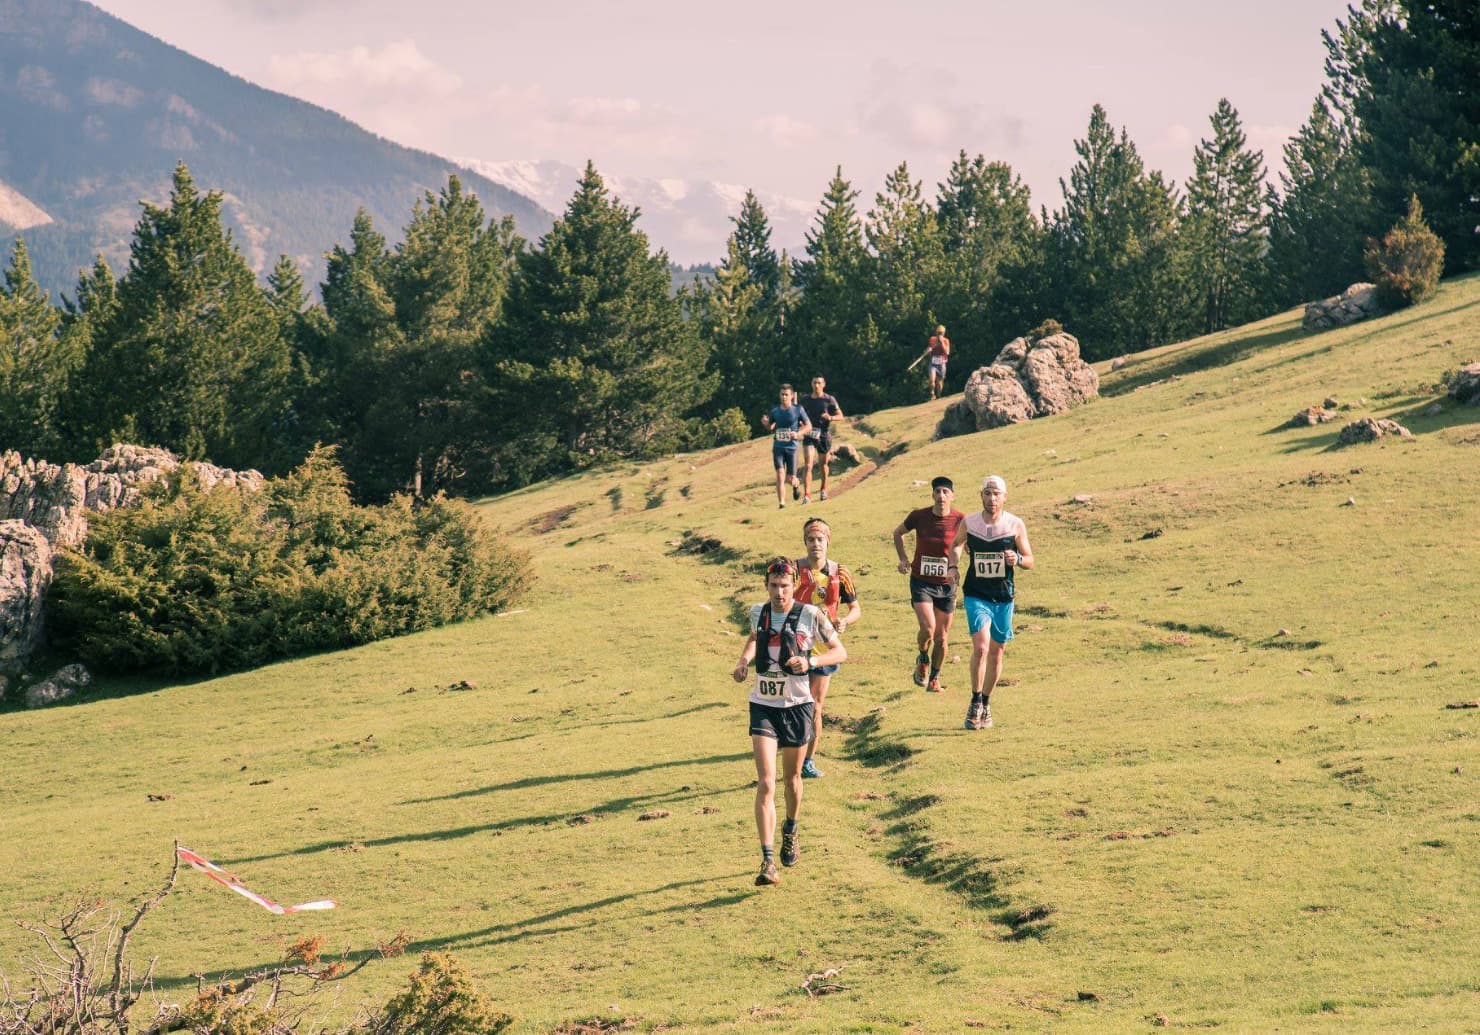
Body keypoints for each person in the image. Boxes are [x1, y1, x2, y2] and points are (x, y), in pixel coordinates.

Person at [733, 557, 846, 886]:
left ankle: (791, 828)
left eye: (785, 586)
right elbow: (754, 638)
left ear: (793, 585)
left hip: (797, 706)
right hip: (763, 705)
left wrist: (811, 660)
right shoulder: (759, 612)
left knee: (792, 780)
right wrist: (742, 663)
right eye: (773, 587)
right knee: (766, 783)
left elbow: (840, 652)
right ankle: (768, 861)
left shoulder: (811, 615)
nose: (779, 592)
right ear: (766, 586)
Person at [951, 475, 1034, 730]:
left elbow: (1030, 559)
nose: (992, 498)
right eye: (987, 493)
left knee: (997, 652)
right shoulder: (970, 522)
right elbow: (956, 545)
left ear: (1004, 497)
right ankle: (975, 699)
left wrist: (1017, 559)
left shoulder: (1015, 525)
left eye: (996, 493)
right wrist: (953, 566)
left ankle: (986, 703)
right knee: (982, 647)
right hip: (976, 593)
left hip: (1003, 596)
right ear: (981, 496)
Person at [792, 517, 861, 779]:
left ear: (828, 541)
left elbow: (856, 608)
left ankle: (808, 760)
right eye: (811, 539)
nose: (816, 544)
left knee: (815, 705)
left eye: (820, 539)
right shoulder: (793, 570)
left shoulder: (839, 573)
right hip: (795, 643)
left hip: (824, 646)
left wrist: (845, 621)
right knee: (793, 701)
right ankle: (791, 745)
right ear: (805, 542)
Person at [891, 476, 966, 693]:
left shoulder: (961, 519)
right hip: (921, 581)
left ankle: (934, 678)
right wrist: (903, 559)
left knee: (942, 638)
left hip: (946, 585)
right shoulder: (919, 516)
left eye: (946, 492)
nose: (941, 496)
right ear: (932, 495)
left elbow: (966, 544)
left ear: (952, 496)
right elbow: (897, 533)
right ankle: (922, 658)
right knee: (928, 628)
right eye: (938, 492)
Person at [760, 385, 811, 509]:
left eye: (786, 394)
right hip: (778, 447)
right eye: (782, 394)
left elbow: (808, 426)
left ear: (792, 396)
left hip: (792, 448)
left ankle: (796, 485)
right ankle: (782, 503)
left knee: (790, 478)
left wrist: (798, 434)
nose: (783, 397)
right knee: (779, 474)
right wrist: (765, 424)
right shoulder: (775, 411)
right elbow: (770, 427)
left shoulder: (798, 410)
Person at [798, 377, 844, 504]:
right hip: (809, 434)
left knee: (823, 464)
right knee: (808, 465)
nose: (816, 385)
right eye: (814, 382)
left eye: (819, 383)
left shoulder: (829, 399)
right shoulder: (805, 400)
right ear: (811, 384)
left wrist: (830, 417)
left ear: (823, 384)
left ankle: (823, 489)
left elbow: (841, 416)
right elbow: (798, 416)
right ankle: (807, 496)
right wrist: (801, 424)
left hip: (824, 434)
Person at [926, 325, 951, 400]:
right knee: (932, 379)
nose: (940, 334)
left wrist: (942, 343)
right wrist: (928, 350)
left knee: (940, 383)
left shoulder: (946, 341)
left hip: (942, 362)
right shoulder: (932, 339)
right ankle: (932, 394)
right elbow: (928, 351)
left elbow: (947, 352)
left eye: (941, 333)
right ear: (936, 333)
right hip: (933, 362)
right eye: (938, 333)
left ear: (944, 333)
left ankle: (939, 395)